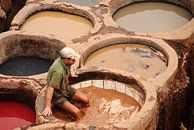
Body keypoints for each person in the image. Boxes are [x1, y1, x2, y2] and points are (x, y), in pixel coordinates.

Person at [42, 47, 89, 119]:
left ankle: (69, 102)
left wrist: (71, 73)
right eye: (73, 60)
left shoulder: (63, 60)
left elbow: (74, 62)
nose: (74, 61)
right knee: (77, 112)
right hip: (57, 95)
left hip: (65, 89)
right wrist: (48, 107)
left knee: (86, 99)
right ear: (67, 60)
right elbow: (50, 88)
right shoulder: (58, 72)